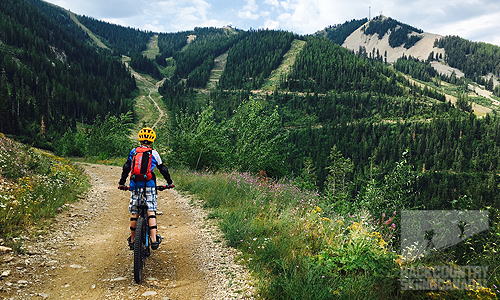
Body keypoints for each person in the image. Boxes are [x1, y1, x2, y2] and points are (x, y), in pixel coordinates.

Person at [119, 127, 174, 250]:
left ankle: (133, 240)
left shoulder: (133, 152)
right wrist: (169, 182)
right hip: (149, 185)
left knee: (134, 213)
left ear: (140, 139)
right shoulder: (154, 153)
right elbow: (163, 169)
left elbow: (126, 167)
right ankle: (154, 240)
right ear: (152, 140)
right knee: (151, 210)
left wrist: (122, 183)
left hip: (135, 185)